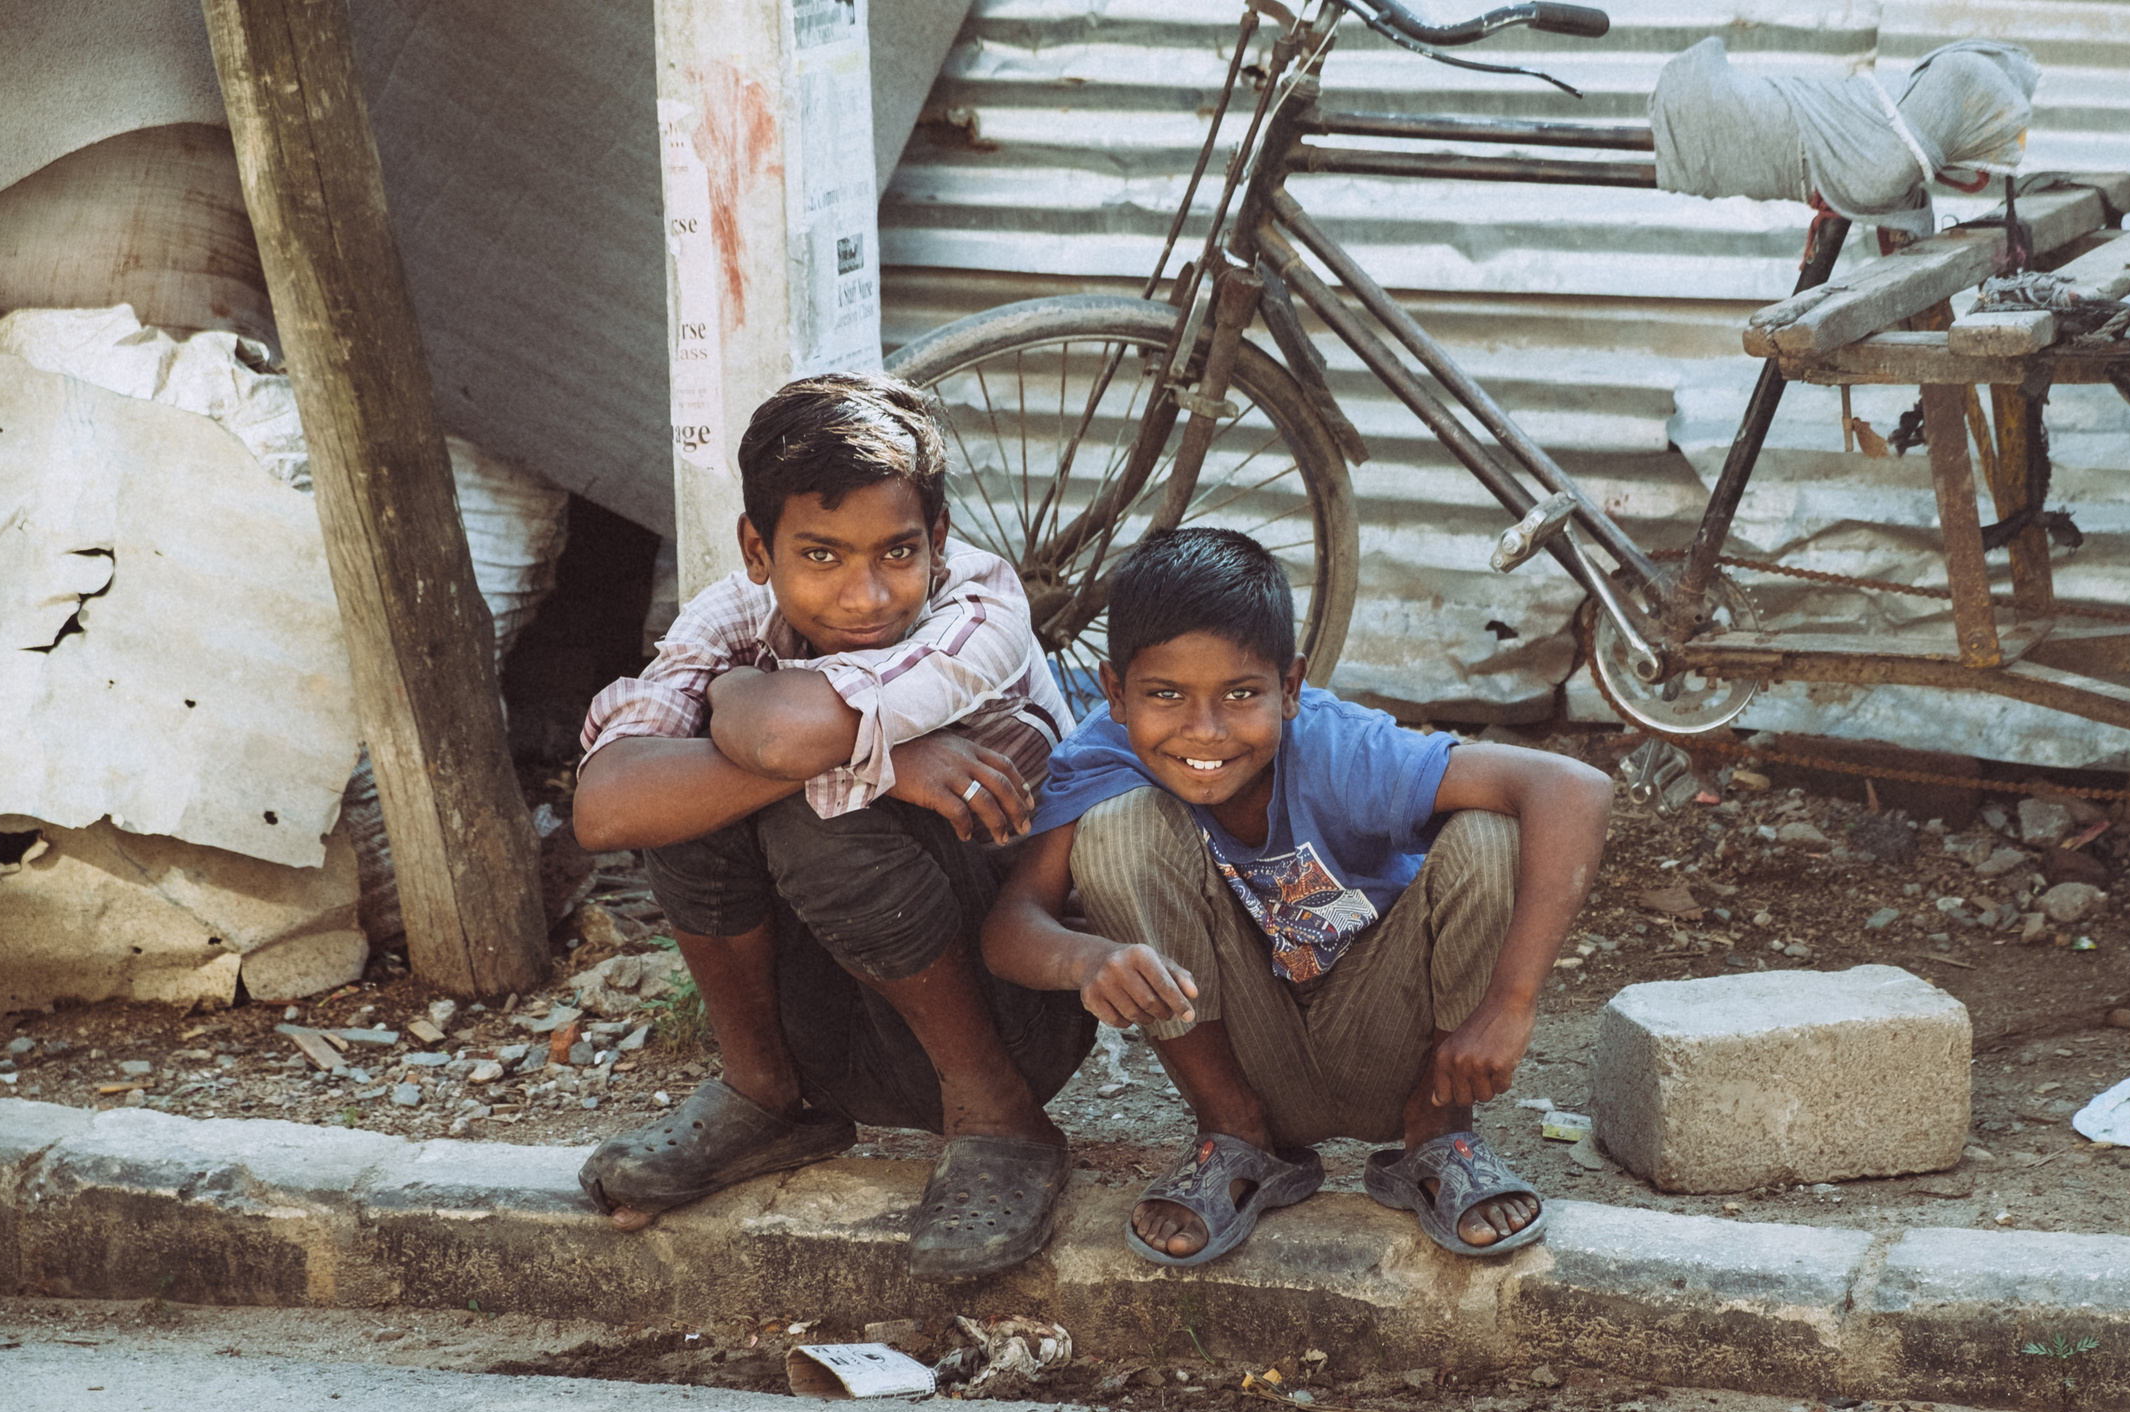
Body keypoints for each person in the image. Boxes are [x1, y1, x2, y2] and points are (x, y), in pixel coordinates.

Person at [570, 372, 1093, 1280]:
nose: (867, 596)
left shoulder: (981, 607)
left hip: (1012, 1005)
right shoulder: (732, 610)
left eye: (898, 551)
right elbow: (607, 804)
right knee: (718, 800)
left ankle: (999, 1117)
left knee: (815, 807)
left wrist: (739, 699)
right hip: (835, 1022)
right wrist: (888, 761)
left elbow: (785, 733)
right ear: (757, 548)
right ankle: (764, 1093)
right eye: (822, 557)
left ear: (935, 539)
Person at [982, 527, 1612, 1265]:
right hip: (1248, 1055)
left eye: (1241, 694)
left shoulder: (1340, 748)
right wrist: (1087, 959)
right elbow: (1010, 926)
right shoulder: (1103, 755)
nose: (1205, 731)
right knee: (1116, 830)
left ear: (1290, 686)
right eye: (1165, 695)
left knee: (1487, 833)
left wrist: (1511, 1001)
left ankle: (1441, 1138)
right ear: (1115, 692)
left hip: (1402, 1050)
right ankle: (1234, 1135)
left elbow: (1574, 789)